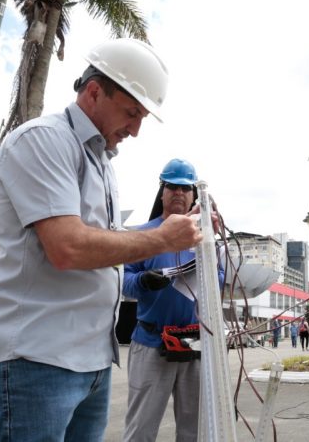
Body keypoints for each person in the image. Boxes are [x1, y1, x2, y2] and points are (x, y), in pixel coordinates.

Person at [0, 38, 204, 442]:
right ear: (94, 92)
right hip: (35, 360)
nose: (135, 128)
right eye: (131, 113)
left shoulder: (101, 163)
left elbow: (102, 250)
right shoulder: (45, 140)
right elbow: (69, 247)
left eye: (143, 116)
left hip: (90, 362)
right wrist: (160, 241)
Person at [122, 158, 224, 442]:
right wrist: (143, 281)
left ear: (193, 194)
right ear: (162, 191)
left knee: (194, 431)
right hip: (152, 342)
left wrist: (211, 246)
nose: (178, 193)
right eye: (171, 187)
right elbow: (124, 282)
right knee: (140, 429)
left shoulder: (204, 237)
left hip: (194, 344)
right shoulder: (144, 234)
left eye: (184, 188)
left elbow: (218, 282)